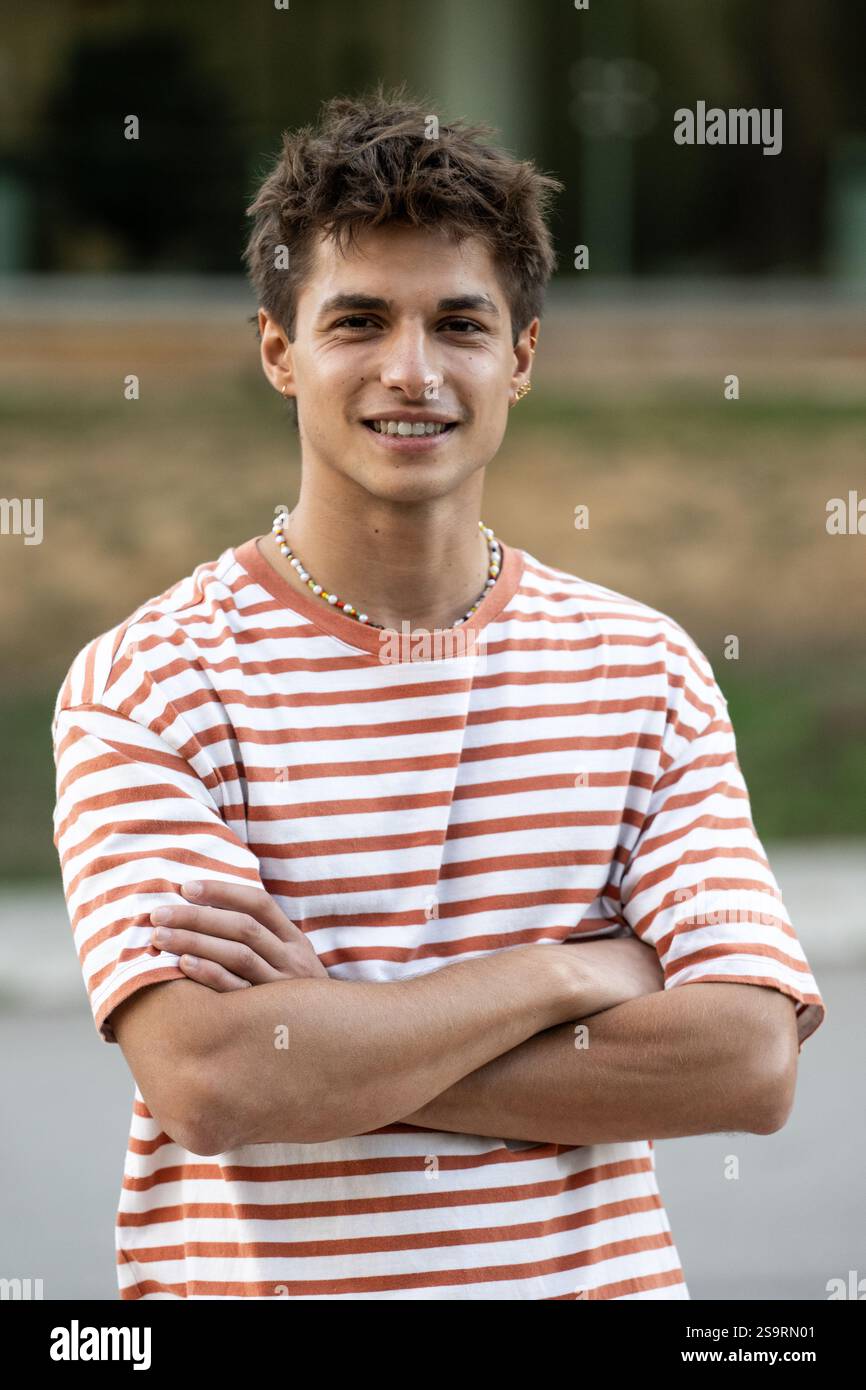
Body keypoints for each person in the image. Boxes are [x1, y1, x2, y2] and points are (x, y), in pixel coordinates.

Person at [51, 83, 825, 1301]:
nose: (409, 372)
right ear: (278, 350)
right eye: (357, 319)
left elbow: (744, 1062)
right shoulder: (150, 683)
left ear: (518, 357)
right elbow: (212, 1085)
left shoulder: (644, 670)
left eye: (458, 324)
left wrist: (326, 1037)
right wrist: (564, 973)